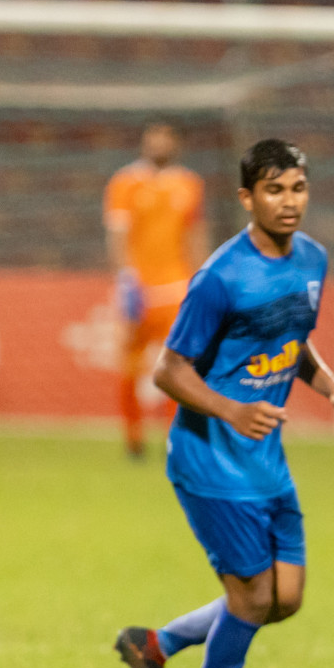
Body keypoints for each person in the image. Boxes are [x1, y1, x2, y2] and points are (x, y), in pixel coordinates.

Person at [113, 139, 334, 668]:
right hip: (210, 460)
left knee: (286, 597)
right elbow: (169, 371)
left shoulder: (312, 258)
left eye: (297, 188)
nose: (288, 202)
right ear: (246, 198)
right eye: (274, 190)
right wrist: (232, 409)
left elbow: (293, 340)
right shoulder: (220, 277)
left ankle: (157, 644)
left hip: (264, 457)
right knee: (252, 598)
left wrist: (332, 390)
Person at [104, 119, 209, 459]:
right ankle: (133, 437)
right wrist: (125, 279)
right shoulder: (125, 182)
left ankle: (173, 441)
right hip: (139, 290)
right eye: (154, 139)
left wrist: (204, 279)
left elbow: (195, 234)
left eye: (166, 139)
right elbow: (118, 235)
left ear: (175, 144)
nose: (159, 145)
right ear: (145, 144)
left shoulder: (189, 184)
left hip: (176, 290)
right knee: (130, 366)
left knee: (177, 369)